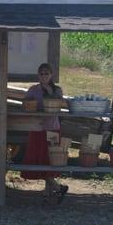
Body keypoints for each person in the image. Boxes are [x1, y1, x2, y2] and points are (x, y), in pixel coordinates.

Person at [21, 63, 68, 204]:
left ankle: (54, 189)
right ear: (38, 75)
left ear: (51, 74)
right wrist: (30, 103)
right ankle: (50, 192)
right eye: (41, 74)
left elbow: (59, 103)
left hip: (52, 128)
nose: (44, 76)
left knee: (50, 159)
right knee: (38, 158)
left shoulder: (57, 90)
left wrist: (49, 91)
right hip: (37, 128)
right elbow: (25, 103)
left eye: (46, 73)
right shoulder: (33, 89)